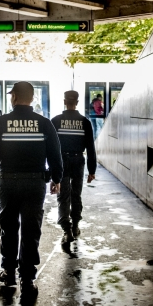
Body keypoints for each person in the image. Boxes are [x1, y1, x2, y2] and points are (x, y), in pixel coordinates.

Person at [0, 81, 63, 298]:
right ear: (32, 98)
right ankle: (28, 279)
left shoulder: (1, 123)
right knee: (32, 230)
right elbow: (55, 153)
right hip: (35, 185)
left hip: (8, 184)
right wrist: (56, 178)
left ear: (13, 97)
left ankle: (8, 272)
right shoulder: (44, 124)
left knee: (9, 228)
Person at [51, 90, 97, 245]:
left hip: (61, 160)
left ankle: (67, 229)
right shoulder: (85, 122)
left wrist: (52, 169)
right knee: (76, 194)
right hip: (78, 160)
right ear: (77, 102)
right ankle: (76, 225)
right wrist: (92, 170)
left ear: (65, 101)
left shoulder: (56, 121)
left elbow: (51, 148)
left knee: (63, 195)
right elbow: (91, 148)